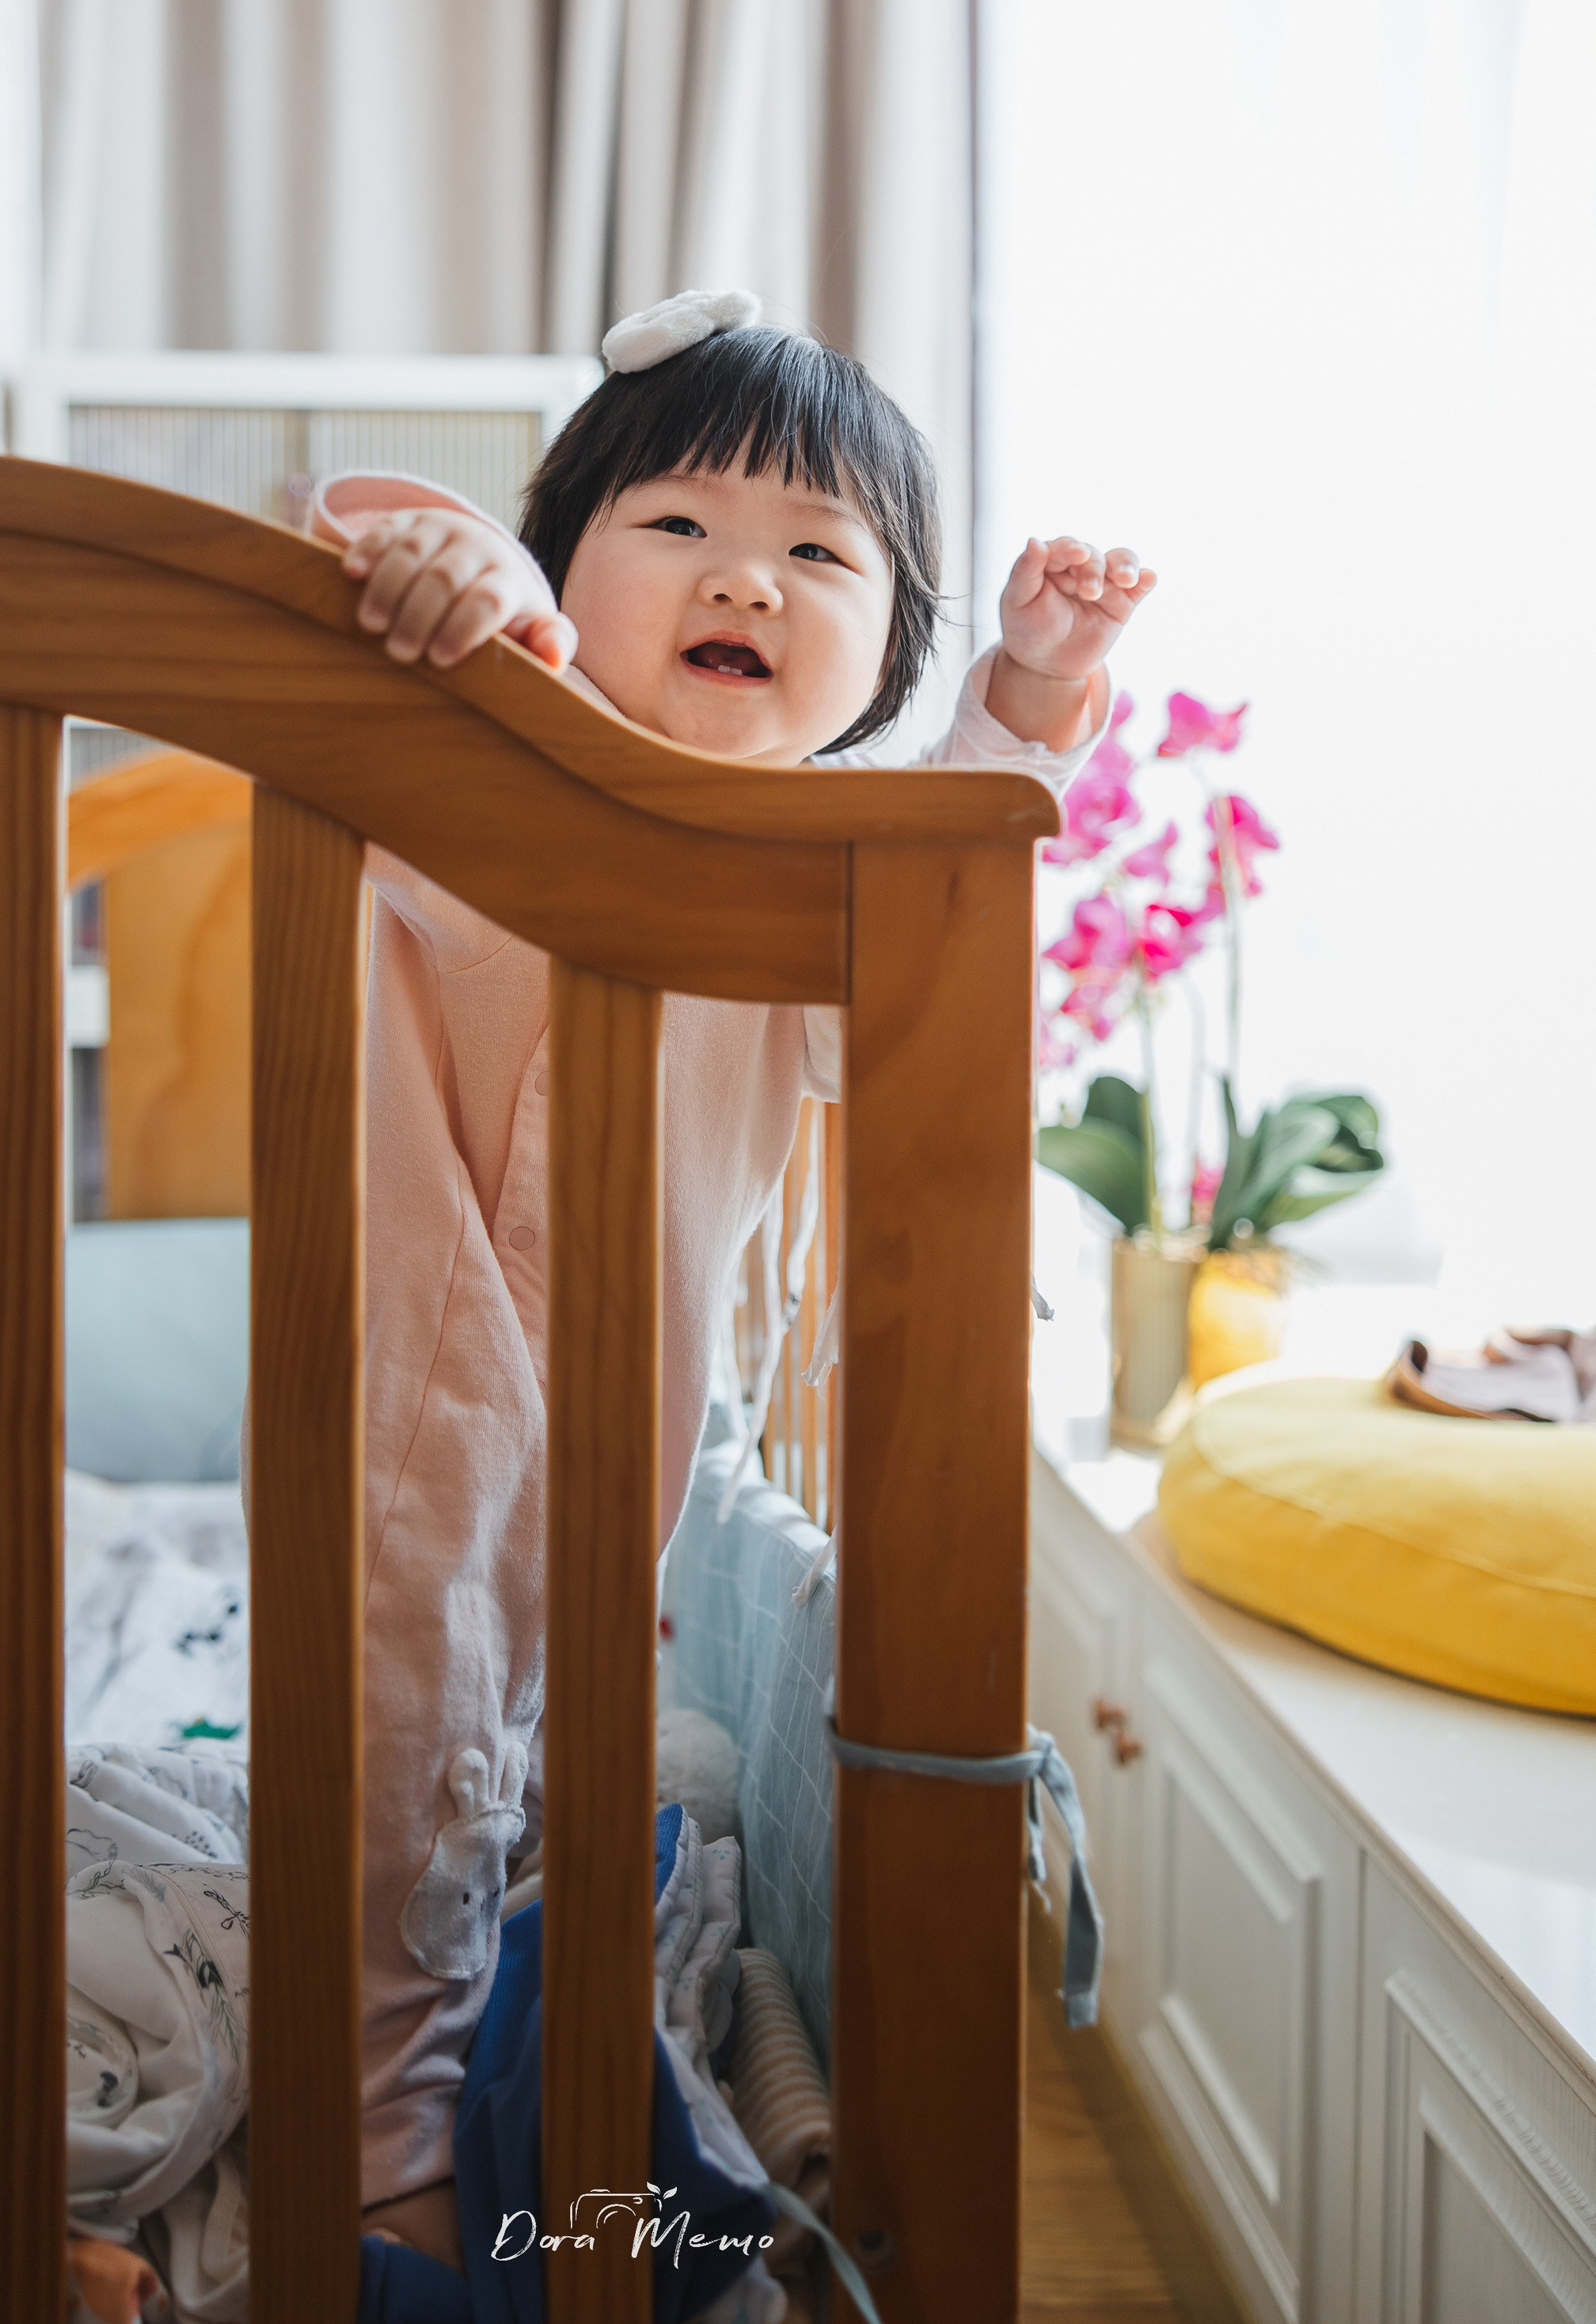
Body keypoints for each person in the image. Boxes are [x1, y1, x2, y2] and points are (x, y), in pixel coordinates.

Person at [290, 294, 1154, 2266]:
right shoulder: (474, 731)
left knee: (507, 1711)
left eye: (819, 553)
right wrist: (448, 561)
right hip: (385, 1370)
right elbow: (391, 546)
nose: (743, 574)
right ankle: (379, 2140)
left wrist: (1018, 702)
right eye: (673, 525)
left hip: (613, 1423)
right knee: (394, 1683)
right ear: (566, 556)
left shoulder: (805, 874)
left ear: (875, 655)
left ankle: (461, 1969)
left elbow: (931, 924)